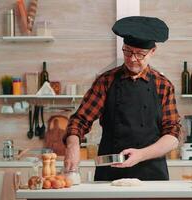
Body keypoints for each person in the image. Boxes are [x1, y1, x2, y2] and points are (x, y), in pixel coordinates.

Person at [63, 16, 181, 181]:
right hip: (110, 174)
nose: (132, 59)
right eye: (127, 52)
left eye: (140, 54)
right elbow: (80, 121)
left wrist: (141, 155)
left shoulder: (163, 85)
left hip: (152, 175)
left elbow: (172, 135)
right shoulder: (106, 81)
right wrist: (72, 146)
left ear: (152, 52)